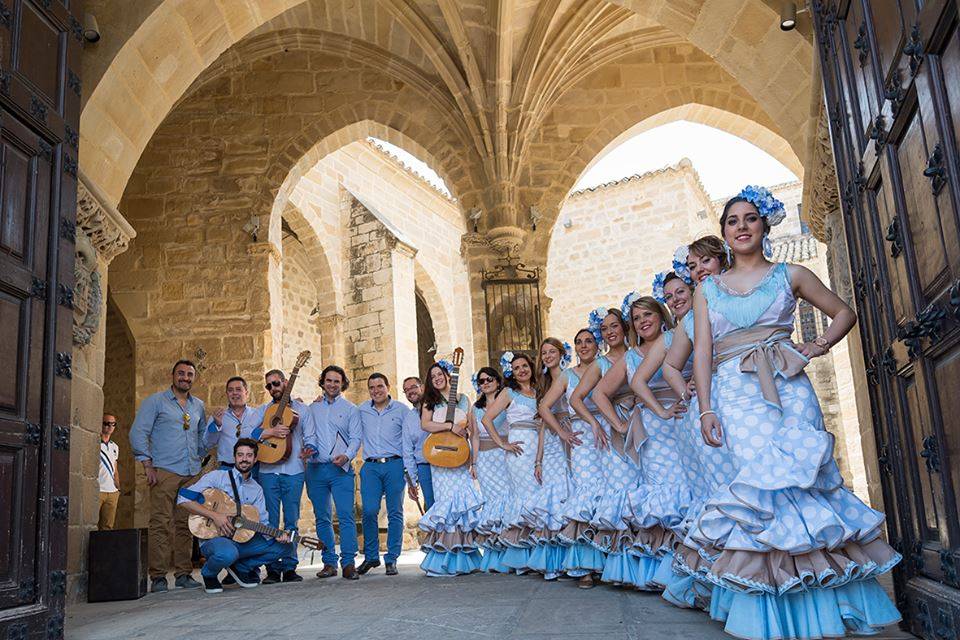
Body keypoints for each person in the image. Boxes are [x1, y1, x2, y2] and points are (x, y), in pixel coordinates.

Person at [682, 187, 901, 639]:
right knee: (761, 494)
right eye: (732, 221)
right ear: (724, 234)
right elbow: (701, 351)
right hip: (734, 395)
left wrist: (815, 346)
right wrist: (705, 409)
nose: (741, 226)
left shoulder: (792, 274)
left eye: (749, 219)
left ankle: (823, 608)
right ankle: (772, 613)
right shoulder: (706, 289)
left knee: (805, 484)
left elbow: (844, 312)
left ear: (764, 226)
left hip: (789, 388)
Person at [597, 295, 688, 591]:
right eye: (636, 318)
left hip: (686, 420)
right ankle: (664, 569)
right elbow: (599, 395)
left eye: (648, 314)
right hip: (652, 428)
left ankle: (693, 563)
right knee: (662, 494)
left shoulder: (680, 338)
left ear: (661, 315)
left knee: (690, 489)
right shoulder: (631, 357)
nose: (643, 321)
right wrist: (621, 425)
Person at [569, 306, 642, 588]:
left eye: (614, 326)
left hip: (644, 423)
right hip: (615, 428)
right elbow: (576, 399)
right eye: (605, 329)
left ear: (624, 328)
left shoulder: (639, 353)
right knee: (621, 489)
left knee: (640, 489)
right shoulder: (600, 364)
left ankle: (642, 560)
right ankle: (621, 565)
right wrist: (596, 423)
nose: (610, 332)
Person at [176, 438, 293, 594]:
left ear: (255, 459)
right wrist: (215, 516)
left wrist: (278, 534)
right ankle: (209, 573)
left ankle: (241, 567)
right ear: (234, 457)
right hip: (214, 538)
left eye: (249, 455)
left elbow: (262, 522)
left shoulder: (256, 489)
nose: (244, 459)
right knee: (227, 553)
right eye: (240, 455)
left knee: (287, 547)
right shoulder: (216, 477)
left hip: (240, 540)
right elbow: (183, 499)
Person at [129, 359, 206, 593]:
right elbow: (138, 432)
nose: (185, 378)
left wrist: (201, 461)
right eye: (181, 373)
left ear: (194, 378)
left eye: (190, 374)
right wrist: (147, 464)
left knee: (186, 524)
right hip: (164, 471)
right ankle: (159, 577)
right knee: (160, 523)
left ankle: (184, 573)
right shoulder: (156, 402)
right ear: (173, 376)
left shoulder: (198, 405)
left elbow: (201, 435)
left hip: (191, 472)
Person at [541, 329, 604, 588]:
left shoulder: (606, 366)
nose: (584, 345)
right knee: (586, 495)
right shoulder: (568, 375)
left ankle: (608, 562)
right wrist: (562, 433)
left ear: (596, 345)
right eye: (579, 342)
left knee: (607, 494)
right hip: (581, 438)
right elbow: (544, 407)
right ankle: (584, 566)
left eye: (589, 341)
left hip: (608, 433)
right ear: (574, 349)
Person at [417, 361, 480, 576]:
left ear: (448, 374)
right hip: (440, 459)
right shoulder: (429, 401)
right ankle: (444, 558)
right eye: (432, 375)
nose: (437, 378)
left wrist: (473, 460)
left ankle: (464, 557)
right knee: (446, 504)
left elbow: (471, 429)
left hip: (460, 456)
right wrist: (449, 426)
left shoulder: (463, 399)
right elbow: (426, 425)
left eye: (440, 373)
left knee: (462, 503)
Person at [248, 369, 308, 584]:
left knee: (292, 520)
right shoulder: (263, 411)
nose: (273, 388)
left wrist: (309, 449)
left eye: (276, 383)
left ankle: (290, 566)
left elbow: (309, 436)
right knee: (270, 521)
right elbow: (246, 432)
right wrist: (268, 433)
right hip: (267, 472)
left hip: (294, 471)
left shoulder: (302, 409)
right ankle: (272, 568)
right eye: (269, 386)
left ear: (285, 382)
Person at [302, 365, 361, 580]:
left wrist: (347, 455)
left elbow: (355, 438)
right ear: (323, 382)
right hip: (316, 469)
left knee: (346, 516)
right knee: (322, 517)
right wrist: (309, 449)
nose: (333, 384)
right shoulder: (312, 408)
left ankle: (348, 563)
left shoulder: (350, 409)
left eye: (337, 381)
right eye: (329, 380)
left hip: (341, 469)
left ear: (342, 383)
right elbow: (308, 434)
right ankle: (329, 562)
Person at [480, 353, 536, 573]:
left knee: (537, 499)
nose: (521, 370)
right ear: (511, 373)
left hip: (539, 450)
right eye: (516, 368)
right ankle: (522, 556)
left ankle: (537, 552)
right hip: (519, 451)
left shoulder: (538, 392)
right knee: (524, 498)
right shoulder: (509, 392)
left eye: (524, 365)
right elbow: (486, 419)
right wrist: (503, 444)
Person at [526, 338, 576, 580]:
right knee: (555, 494)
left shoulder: (571, 375)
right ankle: (556, 560)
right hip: (555, 442)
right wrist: (538, 460)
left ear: (561, 353)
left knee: (574, 490)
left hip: (575, 434)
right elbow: (543, 427)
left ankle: (576, 557)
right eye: (543, 353)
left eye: (551, 351)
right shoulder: (543, 385)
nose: (547, 356)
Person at [357, 373, 408, 576]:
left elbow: (410, 437)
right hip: (370, 466)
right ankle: (371, 556)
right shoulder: (361, 410)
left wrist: (409, 468)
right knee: (369, 511)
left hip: (394, 464)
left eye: (380, 386)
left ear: (388, 387)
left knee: (395, 512)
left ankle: (392, 558)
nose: (376, 390)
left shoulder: (401, 410)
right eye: (372, 387)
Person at [468, 367, 510, 573]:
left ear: (497, 380)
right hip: (485, 460)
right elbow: (474, 436)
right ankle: (494, 555)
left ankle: (510, 551)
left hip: (504, 457)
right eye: (481, 381)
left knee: (507, 500)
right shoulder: (475, 408)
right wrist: (474, 463)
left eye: (489, 379)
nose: (485, 383)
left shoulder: (507, 401)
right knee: (492, 503)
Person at [203, 376, 264, 470]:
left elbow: (265, 440)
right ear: (227, 394)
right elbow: (208, 444)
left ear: (246, 393)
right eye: (230, 390)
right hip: (227, 469)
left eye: (238, 389)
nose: (234, 393)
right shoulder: (217, 416)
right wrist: (217, 425)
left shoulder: (258, 415)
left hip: (254, 470)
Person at [400, 376, 434, 510]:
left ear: (423, 387)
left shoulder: (437, 407)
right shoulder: (409, 419)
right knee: (431, 507)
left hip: (445, 464)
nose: (410, 392)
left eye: (413, 387)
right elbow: (408, 452)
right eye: (406, 390)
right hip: (424, 467)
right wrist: (412, 482)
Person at [98, 413, 121, 530]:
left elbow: (115, 469)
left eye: (113, 424)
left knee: (107, 527)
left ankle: (103, 549)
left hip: (112, 492)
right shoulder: (94, 443)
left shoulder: (115, 447)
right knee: (91, 524)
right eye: (106, 423)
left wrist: (118, 487)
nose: (110, 426)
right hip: (98, 490)